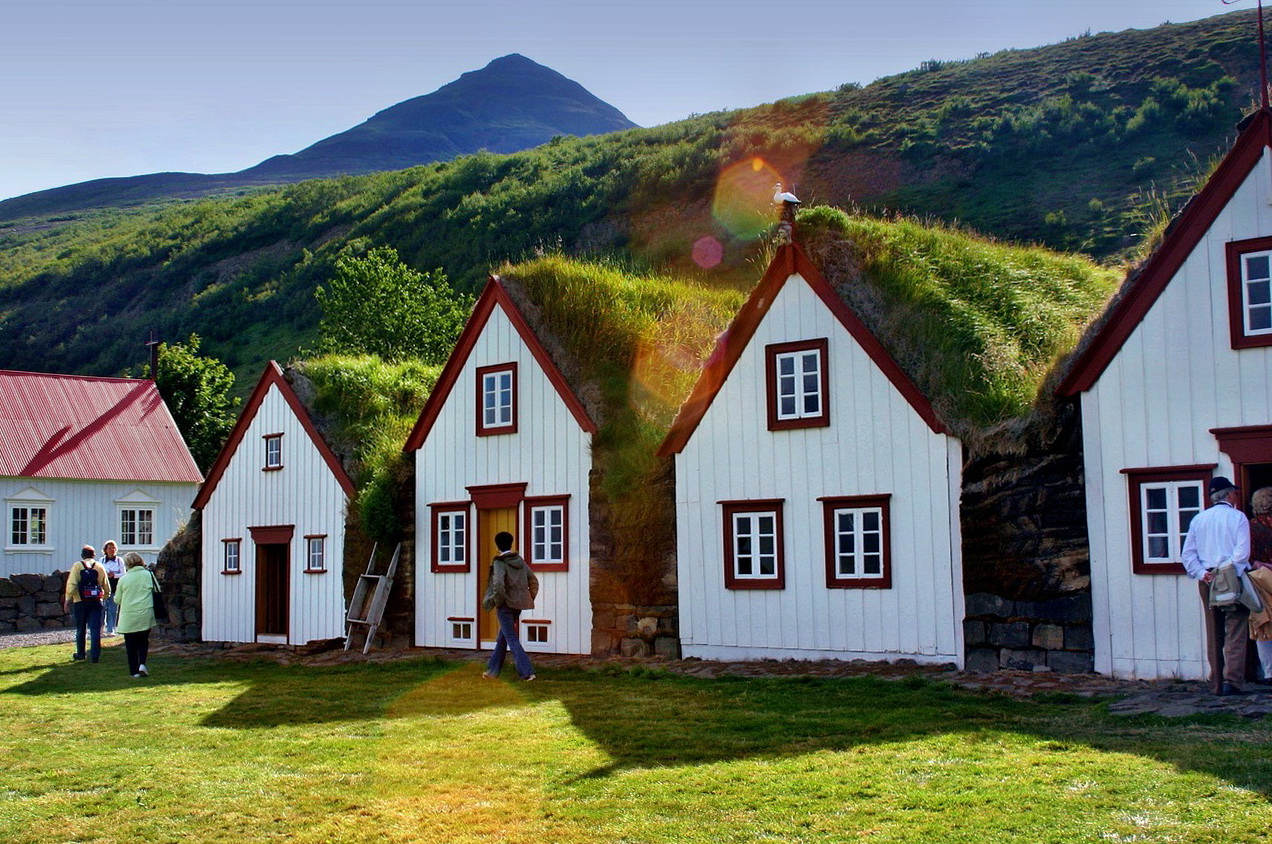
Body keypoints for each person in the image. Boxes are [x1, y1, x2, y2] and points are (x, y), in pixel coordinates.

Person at [1182, 476, 1252, 695]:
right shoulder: (1237, 517)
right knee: (1236, 627)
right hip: (1232, 577)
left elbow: (1188, 554)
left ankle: (1216, 682)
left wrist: (1203, 574)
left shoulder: (1198, 519)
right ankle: (1232, 681)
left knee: (1213, 629)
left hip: (1208, 579)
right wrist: (1227, 570)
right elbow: (1242, 553)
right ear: (1229, 494)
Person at [481, 531, 539, 682]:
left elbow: (498, 584)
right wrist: (525, 598)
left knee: (511, 638)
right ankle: (492, 671)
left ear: (497, 545)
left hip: (505, 605)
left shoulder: (500, 562)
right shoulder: (519, 561)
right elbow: (534, 582)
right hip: (517, 605)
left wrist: (499, 602)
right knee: (503, 637)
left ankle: (527, 672)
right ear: (511, 543)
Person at [62, 545, 110, 663]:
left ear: (82, 555)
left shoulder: (77, 566)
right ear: (94, 555)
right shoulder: (99, 566)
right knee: (95, 629)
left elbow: (72, 585)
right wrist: (103, 597)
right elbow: (106, 585)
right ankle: (94, 656)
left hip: (80, 601)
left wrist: (68, 599)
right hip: (95, 602)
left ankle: (81, 653)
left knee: (81, 629)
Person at [114, 552, 157, 678]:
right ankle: (142, 663)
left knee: (130, 645)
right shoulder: (149, 575)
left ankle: (134, 672)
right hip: (145, 611)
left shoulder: (123, 579)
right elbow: (157, 589)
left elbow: (117, 599)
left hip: (128, 615)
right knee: (143, 641)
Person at [1245, 487, 1272, 684]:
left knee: (1262, 623)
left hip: (1259, 579)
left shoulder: (1250, 527)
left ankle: (1269, 672)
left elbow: (1248, 558)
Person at [100, 540, 126, 637]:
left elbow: (123, 574)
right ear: (105, 550)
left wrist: (114, 575)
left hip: (115, 587)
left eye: (113, 548)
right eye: (110, 548)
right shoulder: (101, 560)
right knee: (102, 608)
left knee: (112, 609)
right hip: (104, 587)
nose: (112, 550)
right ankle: (101, 628)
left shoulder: (119, 560)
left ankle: (111, 629)